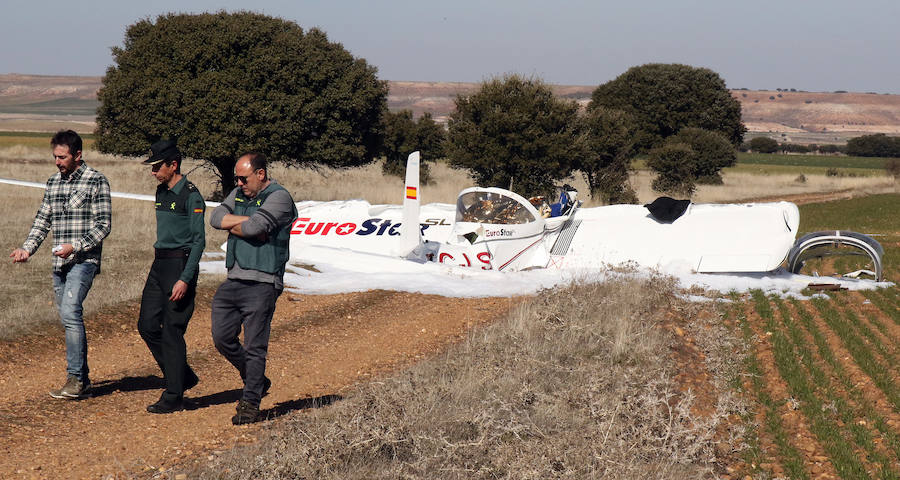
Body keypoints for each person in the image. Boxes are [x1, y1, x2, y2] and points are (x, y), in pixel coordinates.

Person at [9, 130, 112, 399]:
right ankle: (83, 381)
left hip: (84, 260)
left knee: (70, 312)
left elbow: (103, 226)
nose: (57, 162)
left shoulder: (96, 180)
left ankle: (75, 379)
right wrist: (27, 249)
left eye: (62, 157)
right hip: (59, 263)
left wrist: (75, 246)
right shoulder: (53, 182)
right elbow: (43, 220)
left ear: (78, 155)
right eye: (55, 157)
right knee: (68, 317)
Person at [209, 152, 297, 425]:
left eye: (244, 178)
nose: (239, 183)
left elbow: (256, 227)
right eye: (237, 178)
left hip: (263, 280)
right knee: (222, 337)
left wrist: (235, 224)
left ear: (260, 174)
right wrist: (243, 224)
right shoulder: (238, 193)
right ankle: (256, 380)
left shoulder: (280, 197)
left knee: (255, 345)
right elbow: (215, 218)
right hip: (234, 278)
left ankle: (250, 403)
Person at [138, 139, 206, 414]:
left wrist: (185, 278)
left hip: (180, 265)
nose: (153, 172)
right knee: (147, 325)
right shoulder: (161, 192)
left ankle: (174, 395)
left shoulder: (191, 196)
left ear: (173, 165)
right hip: (159, 264)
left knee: (172, 330)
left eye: (157, 167)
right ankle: (182, 375)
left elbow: (199, 241)